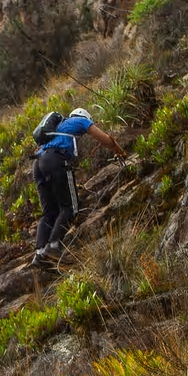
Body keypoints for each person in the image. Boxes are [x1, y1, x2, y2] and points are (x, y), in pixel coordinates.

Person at [32, 108, 129, 267]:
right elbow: (104, 139)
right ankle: (54, 247)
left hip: (38, 163)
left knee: (50, 211)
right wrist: (120, 151)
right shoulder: (80, 121)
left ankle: (40, 254)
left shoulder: (57, 129)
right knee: (70, 208)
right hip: (56, 159)